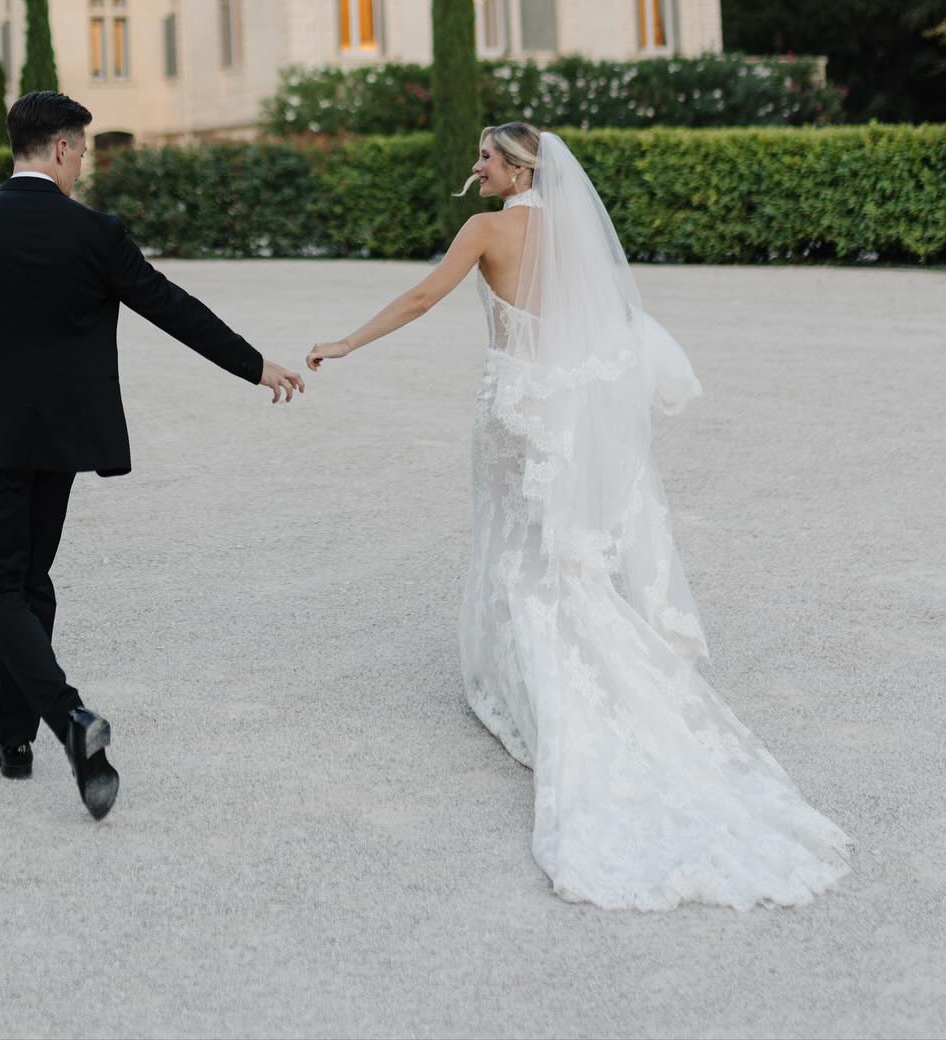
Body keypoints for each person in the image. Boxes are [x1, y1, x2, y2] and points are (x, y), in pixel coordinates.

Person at [307, 121, 850, 910]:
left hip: (508, 407)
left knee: (512, 547)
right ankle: (546, 667)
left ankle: (530, 686)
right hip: (556, 407)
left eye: (485, 156)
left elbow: (426, 294)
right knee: (550, 547)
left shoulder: (486, 229)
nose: (476, 165)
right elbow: (606, 326)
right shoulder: (573, 235)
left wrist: (351, 340)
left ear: (517, 167)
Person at [0, 89, 304, 822]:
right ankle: (13, 741)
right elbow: (171, 307)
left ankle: (68, 720)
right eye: (84, 153)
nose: (84, 166)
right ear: (65, 148)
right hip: (63, 436)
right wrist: (253, 364)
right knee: (29, 580)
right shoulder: (96, 234)